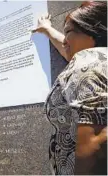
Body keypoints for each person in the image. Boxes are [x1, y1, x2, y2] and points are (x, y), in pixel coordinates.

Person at [32, 1, 107, 175]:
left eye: (68, 32)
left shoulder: (87, 62)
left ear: (92, 32)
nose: (64, 40)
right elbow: (68, 48)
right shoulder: (98, 60)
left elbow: (95, 145)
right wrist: (47, 29)